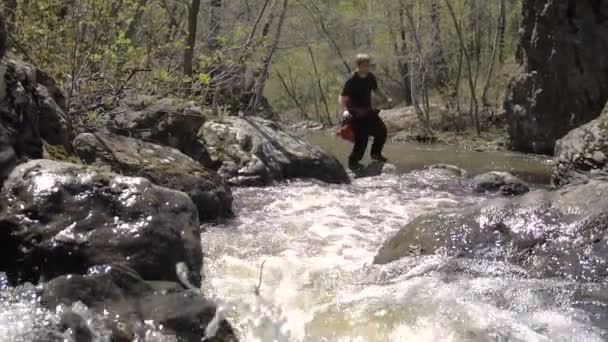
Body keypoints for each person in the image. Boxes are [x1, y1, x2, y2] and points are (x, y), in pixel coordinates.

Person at [339, 54, 391, 170]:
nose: (366, 68)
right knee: (362, 140)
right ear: (358, 65)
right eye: (364, 66)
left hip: (368, 111)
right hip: (355, 114)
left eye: (368, 66)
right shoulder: (351, 79)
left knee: (381, 131)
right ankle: (353, 162)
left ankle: (376, 154)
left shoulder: (370, 77)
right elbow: (343, 97)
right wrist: (345, 111)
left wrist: (385, 98)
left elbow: (376, 89)